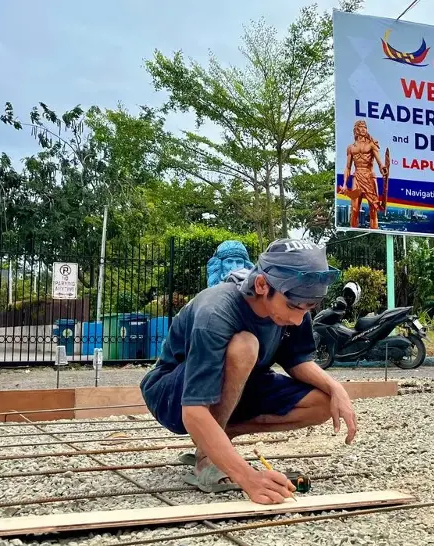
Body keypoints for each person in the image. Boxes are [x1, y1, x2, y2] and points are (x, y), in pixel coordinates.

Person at [140, 239, 358, 504]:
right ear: (262, 285)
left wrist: (336, 388)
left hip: (237, 385)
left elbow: (296, 360)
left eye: (308, 309)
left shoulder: (295, 298)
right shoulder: (216, 312)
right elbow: (193, 410)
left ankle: (217, 438)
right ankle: (207, 457)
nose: (298, 319)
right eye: (293, 308)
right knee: (244, 346)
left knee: (323, 403)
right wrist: (249, 478)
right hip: (172, 394)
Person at [339, 120, 389, 229]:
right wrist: (344, 184)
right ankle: (353, 231)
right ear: (356, 130)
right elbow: (348, 167)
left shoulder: (371, 144)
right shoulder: (351, 147)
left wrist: (382, 167)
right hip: (357, 177)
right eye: (360, 127)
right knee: (355, 209)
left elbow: (379, 160)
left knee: (373, 210)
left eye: (365, 127)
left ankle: (375, 232)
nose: (363, 129)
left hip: (369, 177)